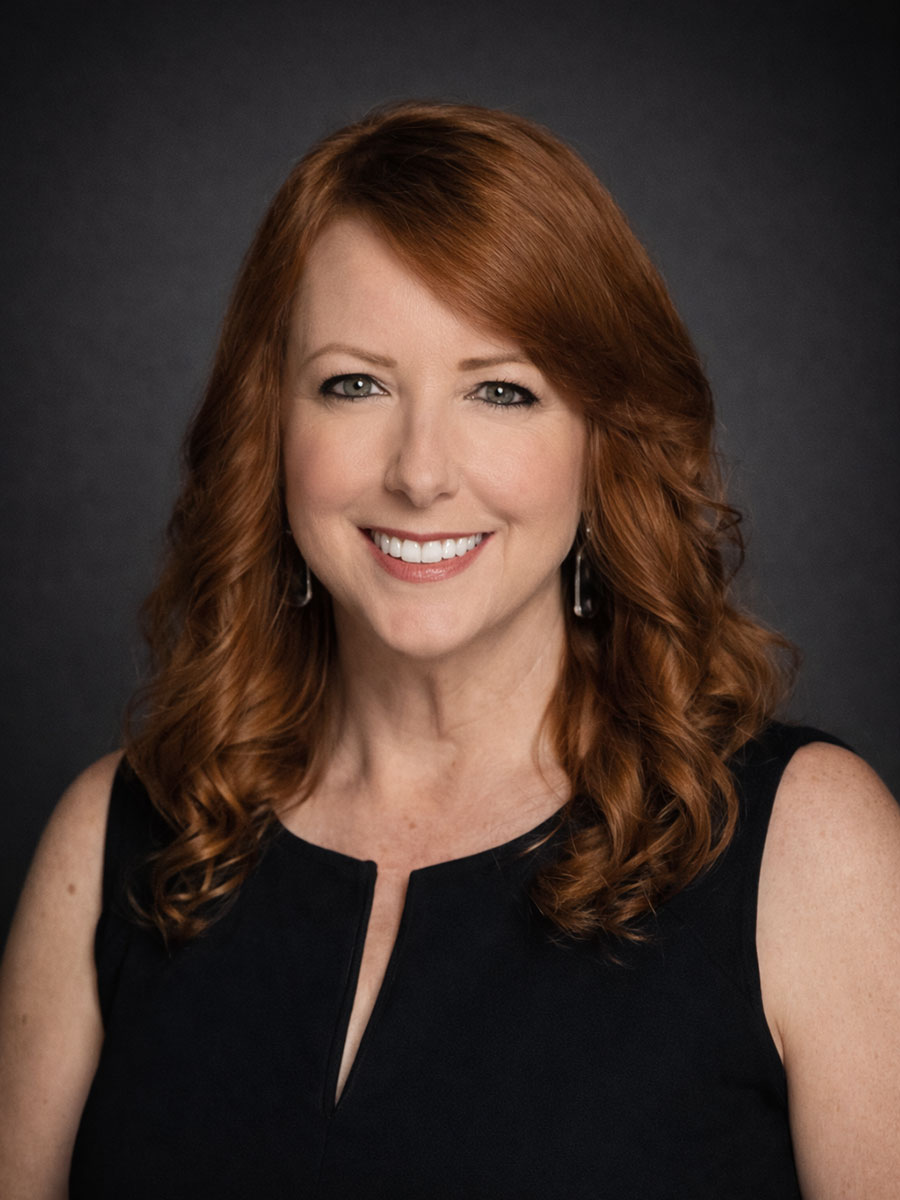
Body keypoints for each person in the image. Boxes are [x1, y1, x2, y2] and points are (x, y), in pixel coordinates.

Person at [0, 101, 898, 1199]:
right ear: (269, 427)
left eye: (502, 390)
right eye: (355, 383)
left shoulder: (811, 851)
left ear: (601, 443)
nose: (421, 473)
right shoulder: (113, 840)